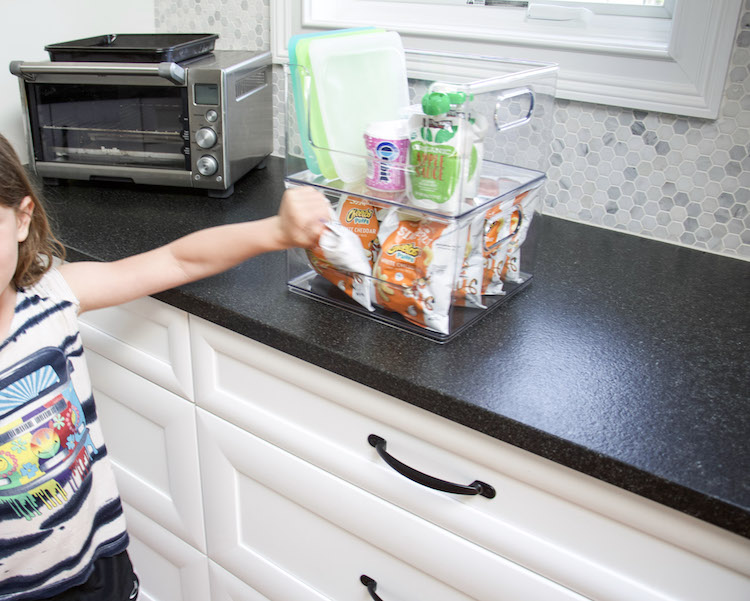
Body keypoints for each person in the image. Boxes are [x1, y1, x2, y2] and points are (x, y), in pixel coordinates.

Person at [0, 133, 330, 601]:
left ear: (21, 218)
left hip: (98, 560)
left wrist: (276, 232)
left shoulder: (52, 297)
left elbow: (177, 260)